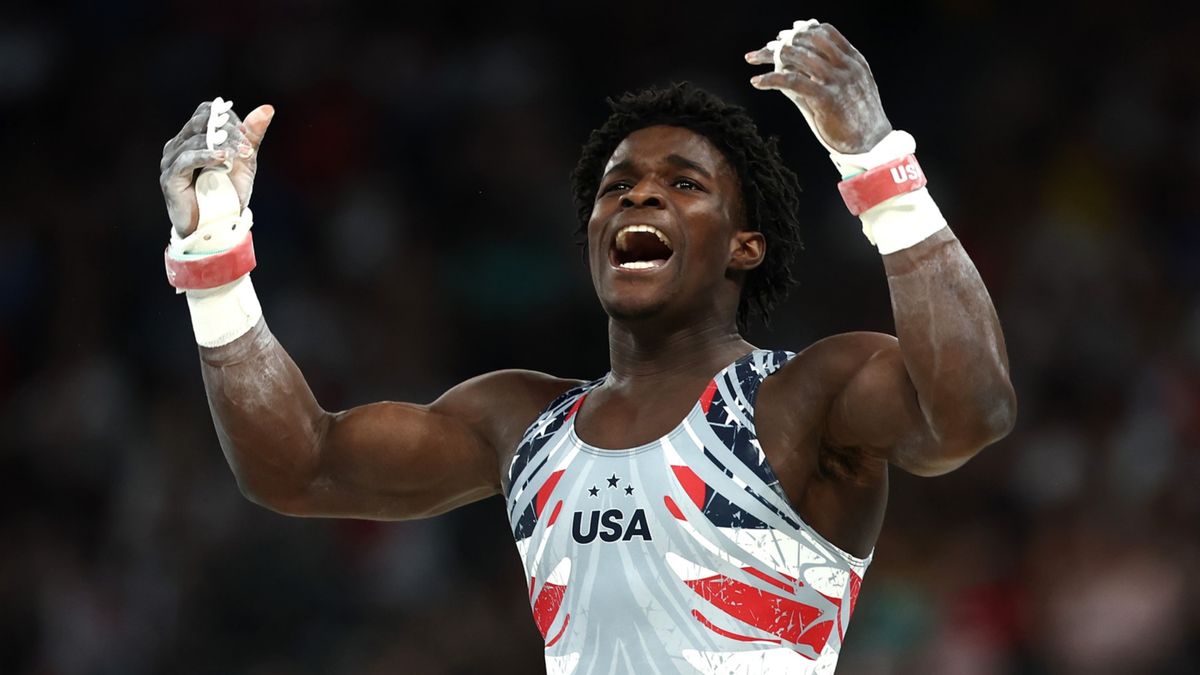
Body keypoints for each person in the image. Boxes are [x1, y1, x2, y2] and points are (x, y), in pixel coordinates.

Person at [157, 19, 1015, 675]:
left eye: (684, 183)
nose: (640, 195)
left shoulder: (805, 397)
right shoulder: (520, 421)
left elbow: (973, 409)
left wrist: (877, 165)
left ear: (744, 245)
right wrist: (215, 262)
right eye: (618, 187)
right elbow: (297, 467)